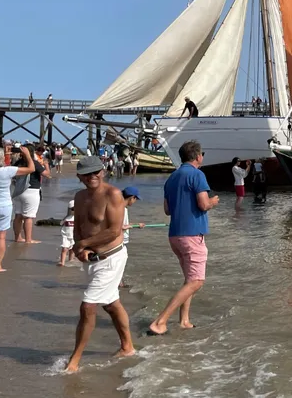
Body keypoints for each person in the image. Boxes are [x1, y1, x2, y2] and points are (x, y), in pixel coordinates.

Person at [65, 156, 135, 372]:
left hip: (111, 258)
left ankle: (74, 361)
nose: (92, 176)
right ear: (79, 176)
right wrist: (79, 247)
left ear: (103, 172)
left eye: (96, 172)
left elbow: (114, 230)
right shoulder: (79, 196)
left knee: (88, 306)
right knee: (112, 303)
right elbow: (78, 226)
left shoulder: (113, 195)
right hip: (91, 259)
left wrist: (84, 243)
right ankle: (128, 347)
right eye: (87, 173)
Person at [148, 140, 218, 336]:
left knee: (189, 279)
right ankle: (160, 321)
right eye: (202, 154)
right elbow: (203, 205)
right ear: (198, 156)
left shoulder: (171, 178)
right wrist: (212, 202)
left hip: (175, 235)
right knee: (197, 281)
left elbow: (167, 209)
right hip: (192, 234)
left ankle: (184, 320)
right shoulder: (198, 174)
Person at [13, 143, 50, 243]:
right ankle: (28, 239)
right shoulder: (34, 163)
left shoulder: (18, 162)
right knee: (28, 216)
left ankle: (17, 237)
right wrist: (46, 166)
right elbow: (46, 174)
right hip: (32, 190)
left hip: (18, 191)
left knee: (18, 215)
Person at [59, 200, 76, 266]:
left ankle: (71, 260)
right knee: (64, 249)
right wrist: (64, 219)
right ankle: (62, 262)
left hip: (74, 236)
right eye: (73, 209)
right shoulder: (67, 218)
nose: (74, 211)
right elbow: (61, 224)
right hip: (66, 236)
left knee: (72, 249)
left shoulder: (78, 218)